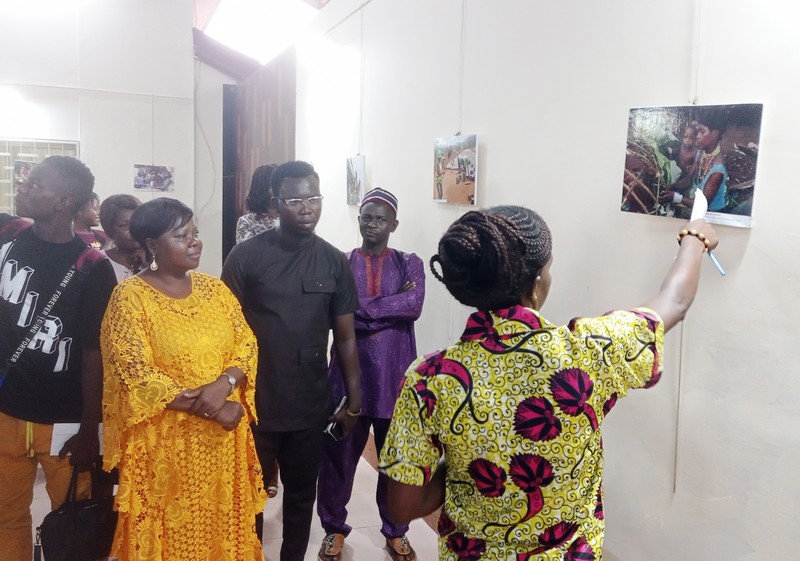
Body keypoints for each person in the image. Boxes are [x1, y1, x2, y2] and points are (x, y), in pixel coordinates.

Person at [379, 205, 719, 560]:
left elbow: (403, 506)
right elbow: (675, 301)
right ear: (537, 284)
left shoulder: (430, 379)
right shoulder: (589, 353)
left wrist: (471, 463)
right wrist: (695, 238)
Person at [100, 197, 265, 561]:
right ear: (152, 246)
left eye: (195, 233)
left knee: (221, 534)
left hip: (222, 447)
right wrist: (211, 409)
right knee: (171, 540)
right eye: (181, 235)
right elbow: (135, 373)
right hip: (165, 447)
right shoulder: (130, 298)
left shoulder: (214, 290)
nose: (194, 242)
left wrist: (226, 383)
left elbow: (246, 341)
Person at [222, 160, 362, 561]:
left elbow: (347, 337)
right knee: (249, 500)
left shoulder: (334, 261)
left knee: (301, 499)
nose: (307, 208)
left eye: (314, 199)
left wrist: (354, 401)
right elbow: (223, 334)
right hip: (256, 404)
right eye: (296, 200)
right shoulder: (245, 258)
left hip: (309, 404)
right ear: (276, 203)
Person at [0, 156, 117, 561]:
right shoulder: (6, 234)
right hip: (5, 409)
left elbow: (93, 353)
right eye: (26, 182)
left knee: (72, 520)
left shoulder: (94, 267)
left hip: (65, 420)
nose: (24, 188)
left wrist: (90, 429)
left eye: (36, 185)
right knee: (5, 516)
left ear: (63, 201)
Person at [316, 188, 425, 561]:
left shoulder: (410, 263)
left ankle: (396, 530)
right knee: (338, 457)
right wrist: (387, 305)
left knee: (395, 461)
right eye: (367, 217)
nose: (373, 224)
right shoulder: (341, 262)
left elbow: (414, 306)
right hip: (348, 378)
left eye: (381, 219)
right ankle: (333, 528)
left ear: (394, 224)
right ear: (359, 220)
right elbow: (336, 311)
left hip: (395, 379)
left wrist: (358, 308)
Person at [661, 108, 728, 213]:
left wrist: (676, 197)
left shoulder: (717, 171)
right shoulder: (702, 152)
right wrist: (670, 187)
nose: (697, 137)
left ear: (715, 133)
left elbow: (703, 205)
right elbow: (689, 180)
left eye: (702, 132)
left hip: (710, 212)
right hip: (694, 198)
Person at [98, 194, 145, 282]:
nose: (134, 230)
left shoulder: (157, 259)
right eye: (124, 225)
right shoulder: (99, 262)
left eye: (138, 222)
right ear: (109, 229)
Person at [236, 163, 280, 244]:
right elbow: (246, 254)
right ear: (262, 187)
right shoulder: (247, 222)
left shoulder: (289, 217)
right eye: (275, 185)